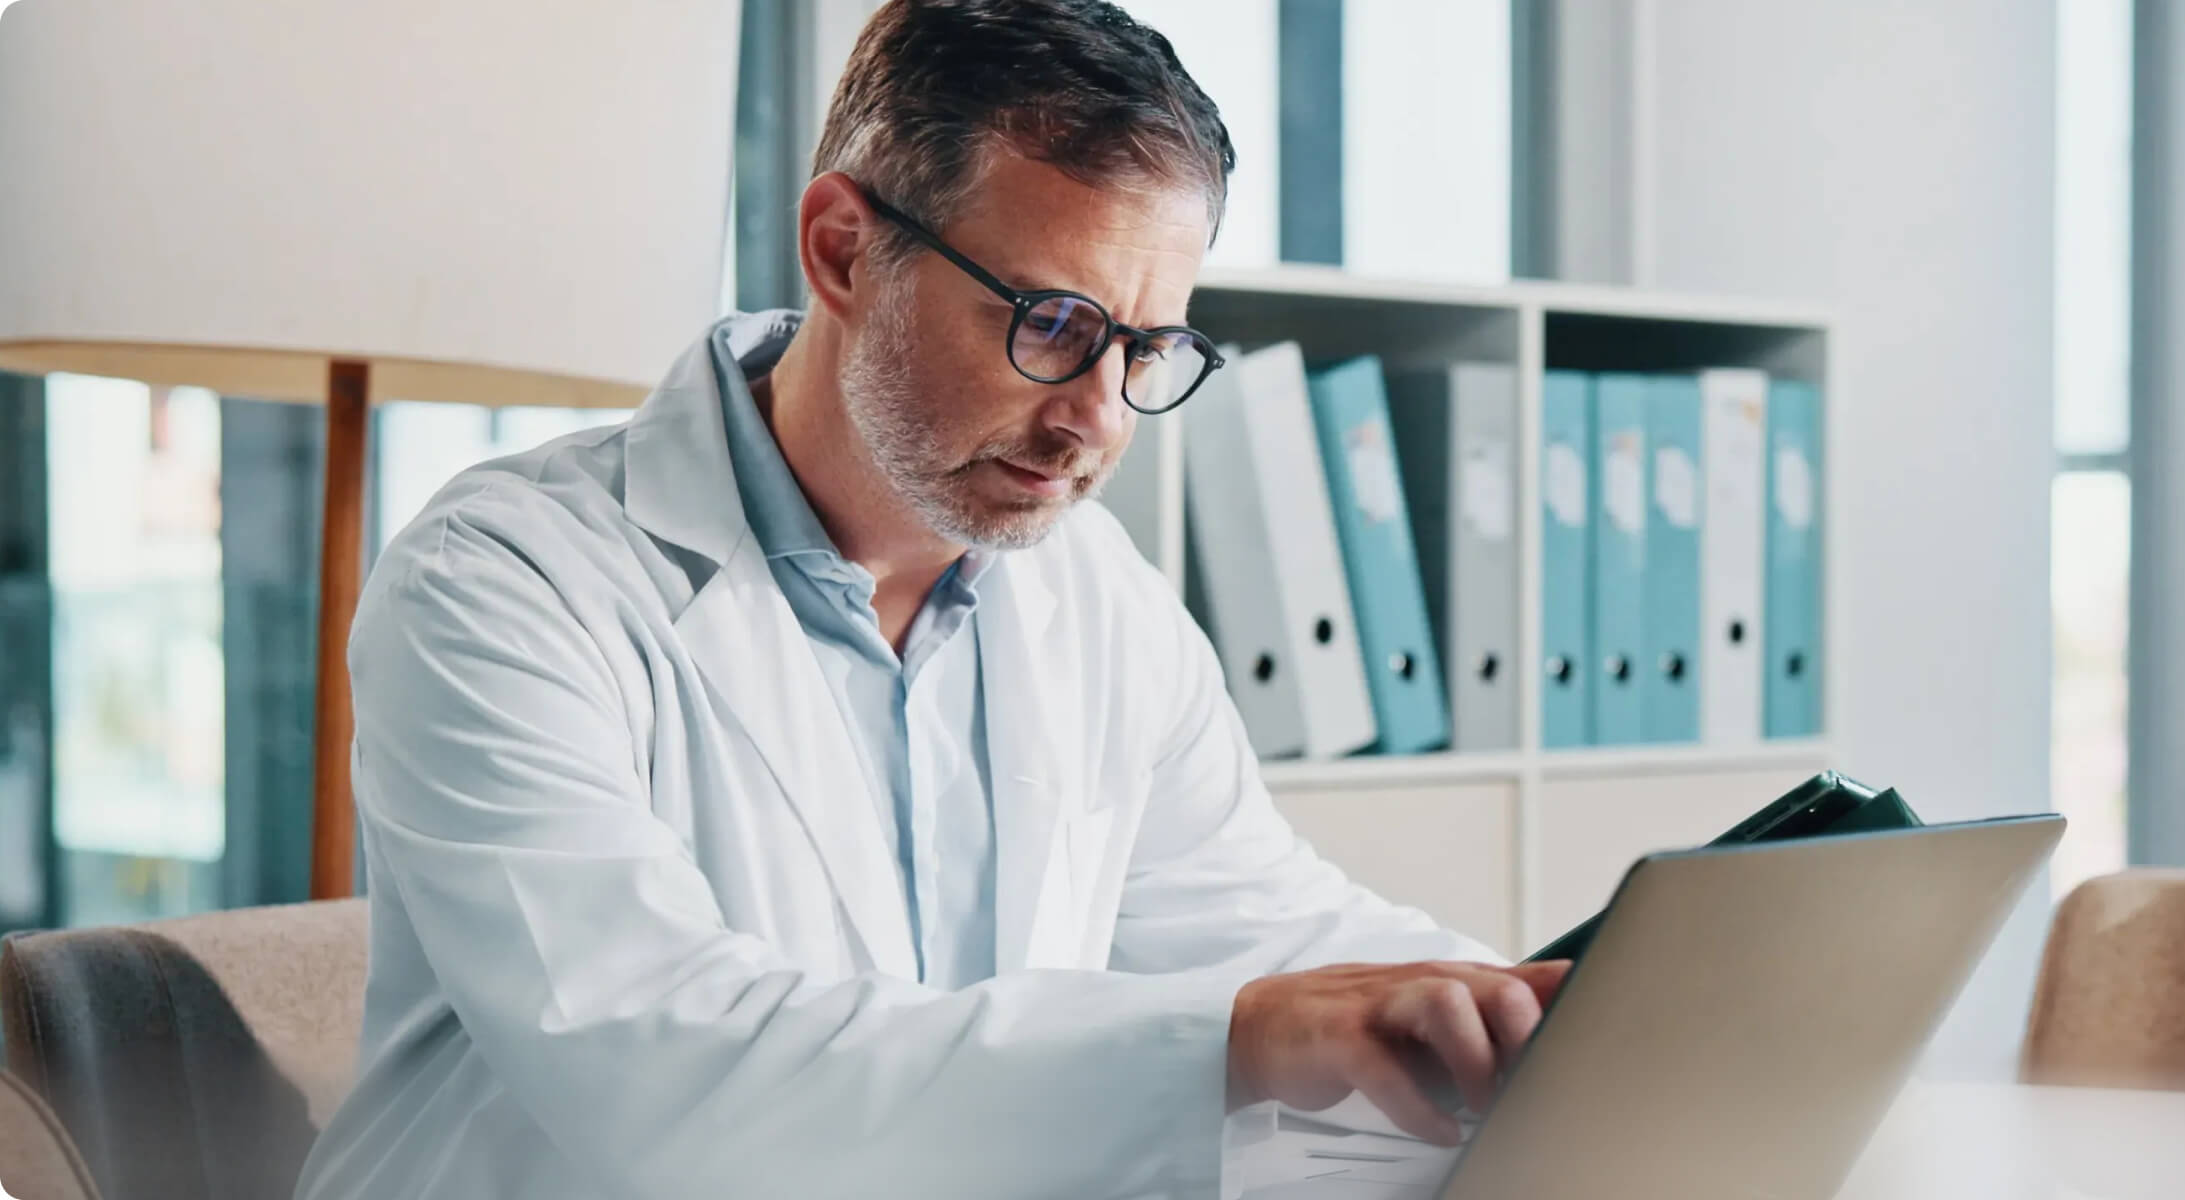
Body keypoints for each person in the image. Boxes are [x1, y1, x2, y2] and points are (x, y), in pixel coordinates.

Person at [294, 2, 1567, 1197]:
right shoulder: (504, 583)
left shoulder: (1097, 599)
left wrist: (1565, 1008)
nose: (1096, 419)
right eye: (1055, 325)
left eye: (1147, 350)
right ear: (845, 250)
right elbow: (656, 1070)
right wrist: (1228, 1047)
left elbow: (1279, 931)